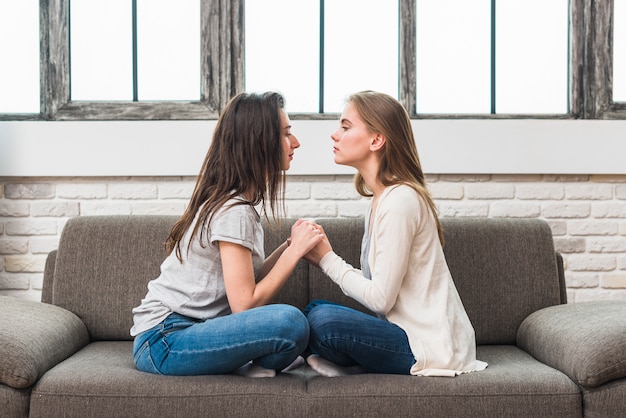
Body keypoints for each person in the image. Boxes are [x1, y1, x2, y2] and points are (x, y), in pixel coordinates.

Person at [131, 92, 324, 377]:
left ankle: (237, 362)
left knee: (301, 325)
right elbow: (244, 304)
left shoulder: (237, 204)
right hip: (165, 341)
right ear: (260, 143)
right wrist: (295, 253)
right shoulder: (234, 211)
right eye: (286, 134)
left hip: (190, 332)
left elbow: (248, 281)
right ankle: (240, 362)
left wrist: (288, 247)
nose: (295, 143)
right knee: (291, 323)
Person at [303, 91, 488, 377]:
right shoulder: (381, 200)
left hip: (428, 347)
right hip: (400, 332)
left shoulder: (401, 201)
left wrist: (327, 259)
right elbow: (379, 292)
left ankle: (353, 365)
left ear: (376, 140)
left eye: (345, 126)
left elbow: (380, 300)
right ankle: (354, 364)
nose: (334, 135)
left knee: (324, 321)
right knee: (314, 309)